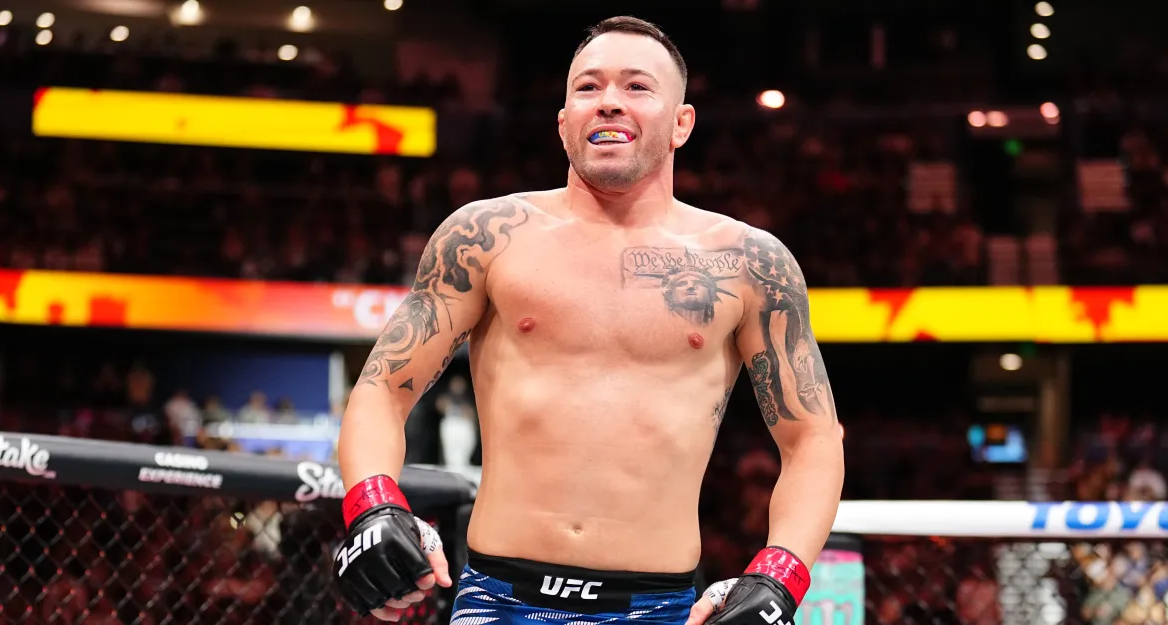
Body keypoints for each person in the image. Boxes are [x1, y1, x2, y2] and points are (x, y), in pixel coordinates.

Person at [334, 15, 844, 625]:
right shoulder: (486, 236)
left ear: (681, 123)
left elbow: (813, 438)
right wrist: (373, 505)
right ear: (563, 122)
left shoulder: (749, 263)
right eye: (588, 87)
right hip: (498, 599)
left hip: (658, 606)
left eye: (637, 86)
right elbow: (382, 389)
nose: (608, 101)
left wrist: (781, 575)